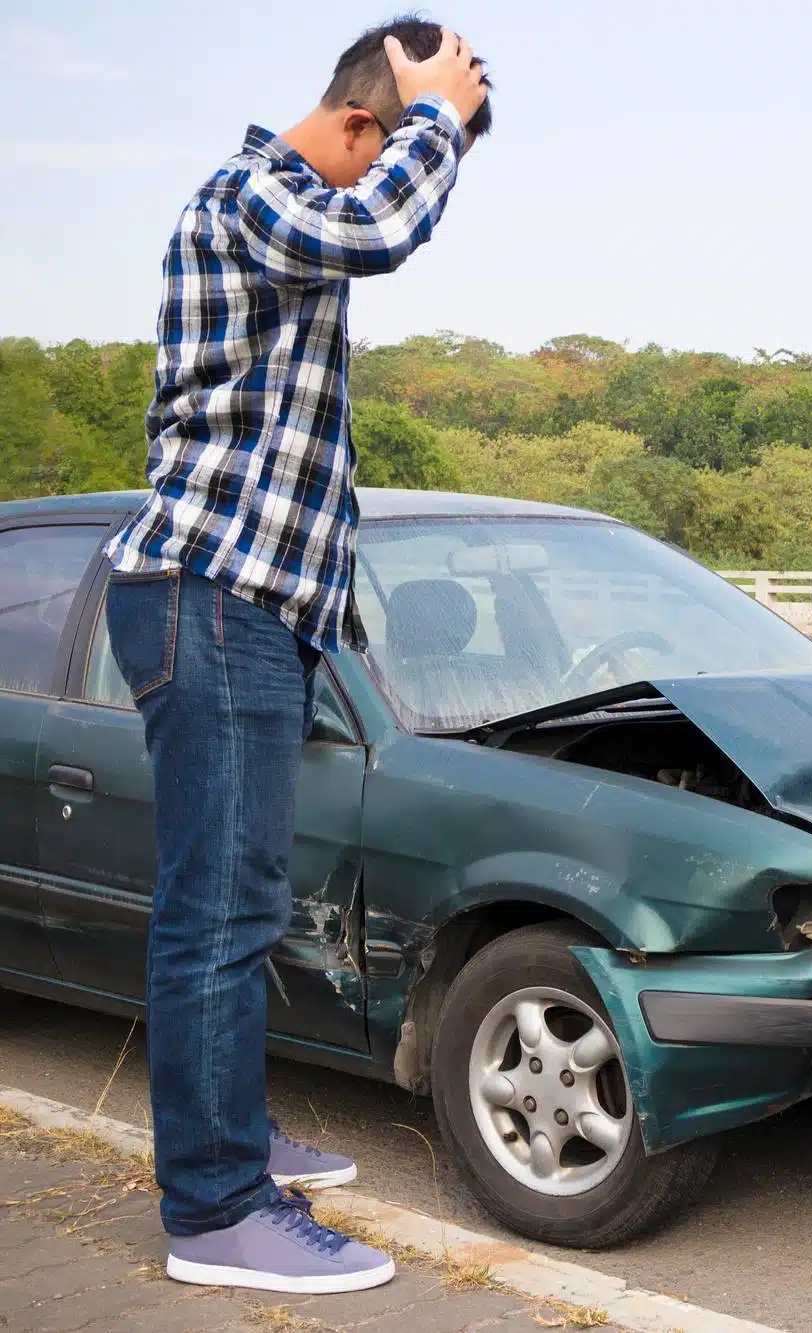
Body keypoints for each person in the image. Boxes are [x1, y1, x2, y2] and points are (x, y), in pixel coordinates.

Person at [98, 16, 491, 1296]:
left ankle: (236, 1139)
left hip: (249, 605)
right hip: (211, 595)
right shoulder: (255, 189)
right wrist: (436, 108)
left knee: (244, 900)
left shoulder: (285, 219)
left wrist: (433, 123)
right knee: (215, 911)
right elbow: (374, 227)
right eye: (409, 143)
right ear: (368, 126)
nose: (417, 174)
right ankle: (213, 1210)